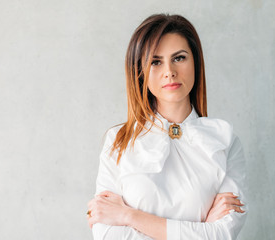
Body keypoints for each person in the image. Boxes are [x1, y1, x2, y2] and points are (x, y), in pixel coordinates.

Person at [87, 13, 248, 240]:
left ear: (196, 62)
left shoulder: (225, 140)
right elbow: (108, 235)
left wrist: (129, 216)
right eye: (155, 61)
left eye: (179, 58)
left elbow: (222, 234)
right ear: (140, 71)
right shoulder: (118, 141)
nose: (169, 71)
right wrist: (201, 229)